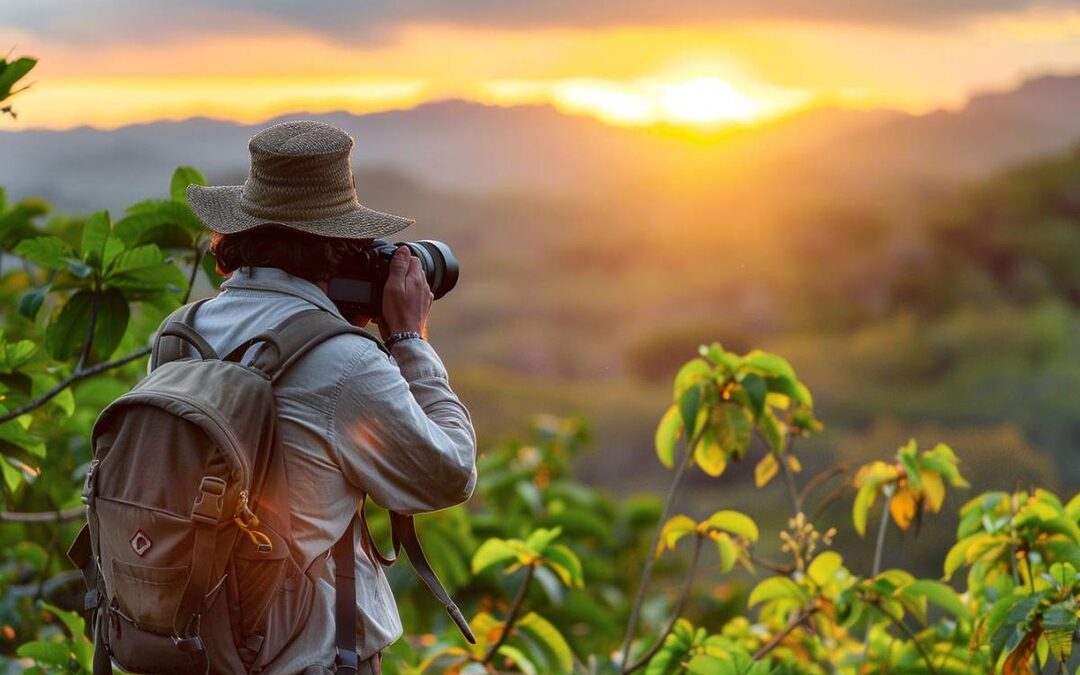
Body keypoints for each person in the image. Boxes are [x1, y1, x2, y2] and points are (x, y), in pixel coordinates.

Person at [178, 120, 478, 674]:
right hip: (306, 657)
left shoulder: (182, 333)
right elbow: (450, 472)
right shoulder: (345, 361)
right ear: (340, 246)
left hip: (193, 648)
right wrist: (409, 339)